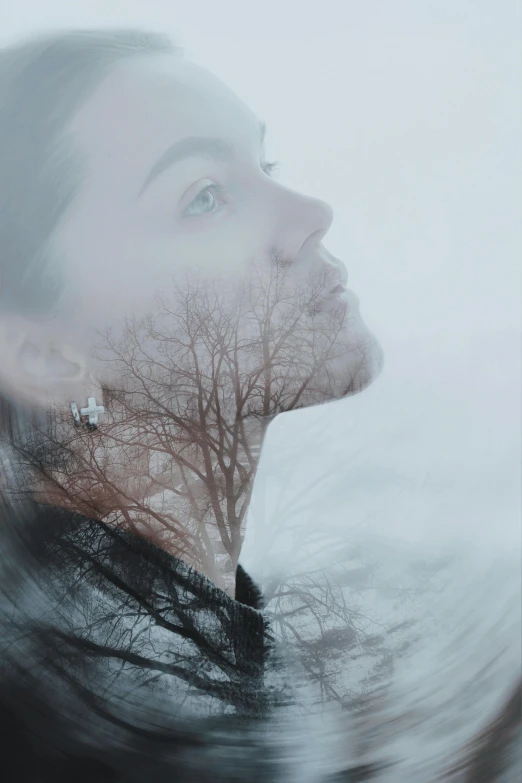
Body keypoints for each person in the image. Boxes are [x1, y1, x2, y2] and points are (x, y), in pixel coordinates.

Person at [0, 27, 384, 783]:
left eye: (267, 165)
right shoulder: (78, 718)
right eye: (205, 196)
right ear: (48, 356)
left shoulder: (174, 653)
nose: (312, 210)